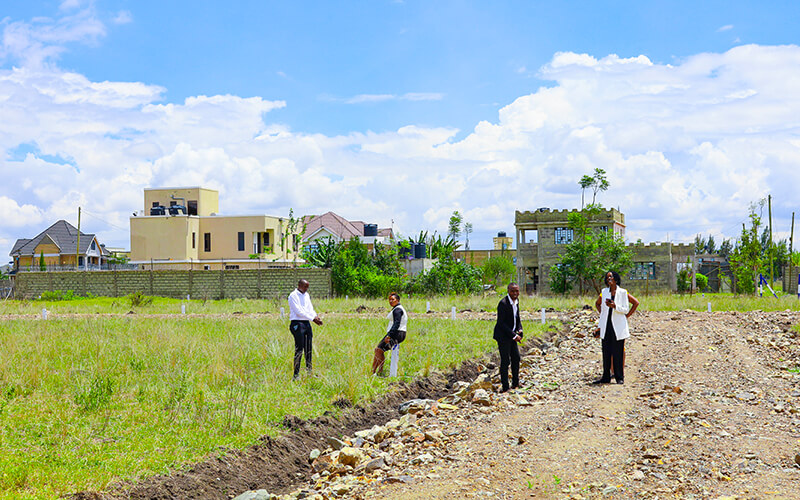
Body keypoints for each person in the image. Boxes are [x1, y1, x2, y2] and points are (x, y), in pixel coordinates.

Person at [593, 271, 639, 385]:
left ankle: (619, 377)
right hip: (606, 325)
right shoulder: (604, 292)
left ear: (616, 279)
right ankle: (606, 377)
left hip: (618, 325)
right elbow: (598, 304)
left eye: (611, 277)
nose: (609, 279)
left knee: (618, 351)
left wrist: (615, 307)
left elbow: (626, 308)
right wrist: (601, 320)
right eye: (607, 277)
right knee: (606, 352)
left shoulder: (623, 292)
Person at [287, 279, 323, 380]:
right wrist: (312, 319)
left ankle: (309, 372)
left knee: (308, 348)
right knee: (299, 349)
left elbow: (310, 309)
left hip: (306, 322)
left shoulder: (306, 295)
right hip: (297, 323)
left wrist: (315, 316)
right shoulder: (293, 296)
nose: (306, 289)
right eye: (305, 286)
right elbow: (299, 312)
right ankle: (296, 375)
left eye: (307, 287)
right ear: (299, 285)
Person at [493, 282, 524, 392]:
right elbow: (501, 323)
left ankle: (515, 383)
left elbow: (517, 318)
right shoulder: (503, 303)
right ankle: (505, 387)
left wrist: (520, 330)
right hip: (503, 336)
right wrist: (514, 335)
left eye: (517, 291)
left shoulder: (516, 302)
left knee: (516, 358)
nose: (515, 293)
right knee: (505, 361)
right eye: (512, 291)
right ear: (508, 291)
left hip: (511, 335)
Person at [371, 292, 408, 375]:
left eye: (393, 299)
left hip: (396, 333)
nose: (390, 301)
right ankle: (377, 371)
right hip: (398, 333)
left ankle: (376, 371)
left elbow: (396, 324)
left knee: (378, 350)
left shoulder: (398, 310)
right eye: (389, 300)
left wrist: (389, 336)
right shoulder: (397, 308)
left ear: (397, 300)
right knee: (379, 350)